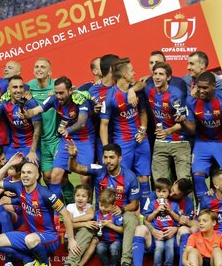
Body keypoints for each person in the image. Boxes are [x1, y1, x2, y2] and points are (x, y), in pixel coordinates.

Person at [0, 153, 79, 266]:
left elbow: (65, 213)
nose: (25, 175)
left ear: (37, 176)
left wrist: (71, 240)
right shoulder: (18, 186)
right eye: (23, 172)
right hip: (29, 235)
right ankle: (28, 260)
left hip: (49, 237)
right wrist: (9, 164)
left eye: (29, 173)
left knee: (30, 239)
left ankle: (45, 263)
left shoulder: (45, 193)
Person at [67, 141, 140, 266]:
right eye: (105, 157)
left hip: (120, 215)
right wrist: (73, 157)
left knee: (131, 218)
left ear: (119, 158)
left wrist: (122, 208)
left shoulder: (129, 176)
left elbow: (135, 204)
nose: (108, 161)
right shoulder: (98, 169)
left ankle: (125, 265)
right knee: (86, 226)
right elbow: (75, 168)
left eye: (111, 157)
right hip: (99, 216)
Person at [23, 76, 94, 198]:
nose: (59, 96)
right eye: (56, 93)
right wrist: (25, 114)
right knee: (54, 176)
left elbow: (82, 122)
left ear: (70, 90)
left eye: (61, 93)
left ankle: (86, 213)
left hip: (84, 140)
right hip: (66, 140)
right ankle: (57, 213)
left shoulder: (80, 100)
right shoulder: (53, 99)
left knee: (85, 178)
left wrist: (69, 130)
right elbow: (36, 111)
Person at [100, 58, 151, 199]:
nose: (134, 73)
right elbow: (103, 124)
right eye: (132, 70)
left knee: (144, 177)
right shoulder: (110, 97)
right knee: (124, 177)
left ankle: (145, 212)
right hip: (123, 142)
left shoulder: (136, 89)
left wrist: (142, 131)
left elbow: (143, 113)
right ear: (124, 74)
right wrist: (106, 148)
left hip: (141, 139)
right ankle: (125, 210)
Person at [179, 71, 222, 176]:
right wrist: (182, 123)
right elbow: (192, 130)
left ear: (213, 86)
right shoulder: (191, 101)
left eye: (205, 88)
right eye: (199, 87)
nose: (201, 91)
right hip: (202, 141)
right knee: (197, 176)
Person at [145, 62, 190, 183]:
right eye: (155, 74)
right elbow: (139, 85)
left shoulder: (176, 95)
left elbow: (182, 121)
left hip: (179, 140)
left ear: (168, 77)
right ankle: (162, 202)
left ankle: (187, 202)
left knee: (183, 182)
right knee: (159, 182)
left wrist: (168, 131)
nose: (157, 77)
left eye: (161, 74)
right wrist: (133, 90)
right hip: (161, 141)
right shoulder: (149, 89)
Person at [0, 75, 41, 164]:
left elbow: (38, 128)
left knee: (29, 170)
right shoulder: (4, 104)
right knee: (6, 171)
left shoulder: (31, 103)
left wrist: (32, 151)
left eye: (21, 87)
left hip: (30, 145)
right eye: (15, 87)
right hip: (14, 146)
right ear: (9, 89)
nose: (18, 90)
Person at [26, 58, 59, 185]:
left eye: (42, 67)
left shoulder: (56, 86)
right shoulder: (28, 87)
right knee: (45, 176)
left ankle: (69, 201)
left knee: (60, 176)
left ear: (49, 72)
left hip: (55, 138)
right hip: (37, 139)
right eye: (36, 66)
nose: (39, 69)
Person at [141, 178, 181, 266]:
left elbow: (179, 219)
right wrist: (156, 211)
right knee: (159, 247)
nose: (161, 194)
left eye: (164, 191)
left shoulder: (173, 205)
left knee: (169, 247)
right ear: (155, 192)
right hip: (158, 231)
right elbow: (147, 219)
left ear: (169, 192)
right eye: (158, 191)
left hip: (169, 232)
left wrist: (170, 211)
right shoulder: (152, 204)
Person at [61, 184, 96, 266]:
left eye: (84, 196)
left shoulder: (89, 207)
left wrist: (72, 220)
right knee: (86, 229)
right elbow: (69, 226)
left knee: (95, 240)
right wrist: (84, 223)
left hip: (84, 242)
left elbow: (90, 216)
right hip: (70, 241)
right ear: (74, 197)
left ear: (88, 198)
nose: (80, 198)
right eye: (78, 196)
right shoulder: (70, 207)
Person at [93, 188, 124, 266]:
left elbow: (122, 230)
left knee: (114, 248)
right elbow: (95, 229)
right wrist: (96, 226)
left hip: (116, 241)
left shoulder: (116, 215)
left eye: (106, 207)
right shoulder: (97, 214)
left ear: (113, 205)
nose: (102, 208)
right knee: (100, 248)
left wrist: (110, 225)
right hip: (104, 241)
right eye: (101, 205)